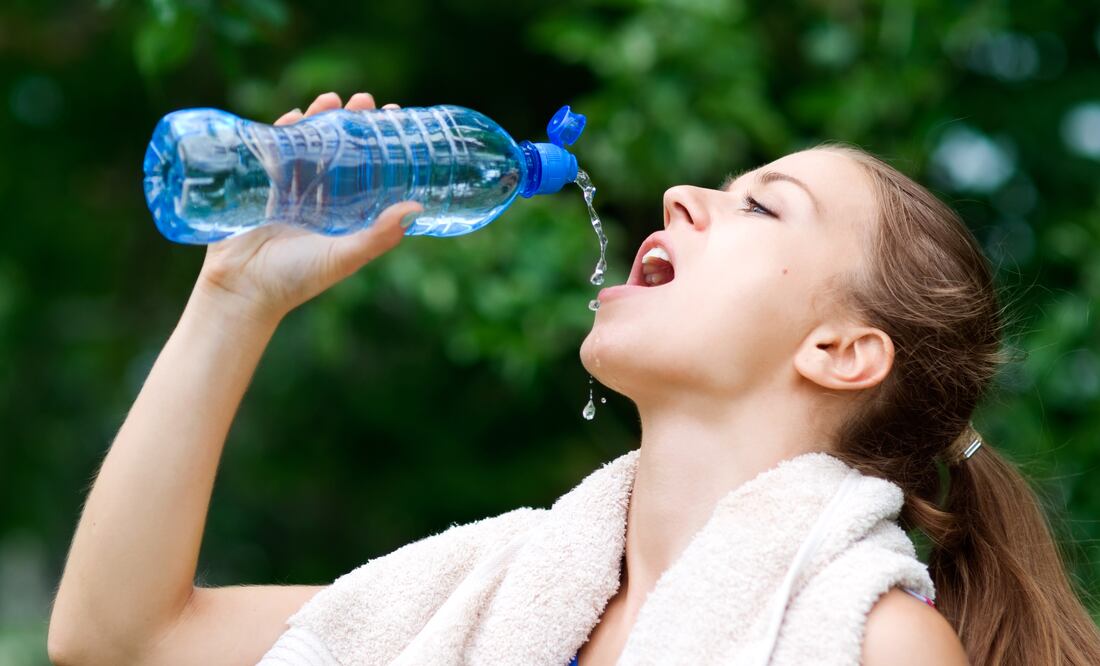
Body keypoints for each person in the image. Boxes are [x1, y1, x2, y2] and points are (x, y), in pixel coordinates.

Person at [47, 92, 1100, 666]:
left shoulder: (874, 644)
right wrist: (235, 298)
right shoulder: (475, 600)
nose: (682, 195)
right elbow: (119, 638)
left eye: (760, 205)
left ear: (839, 351)